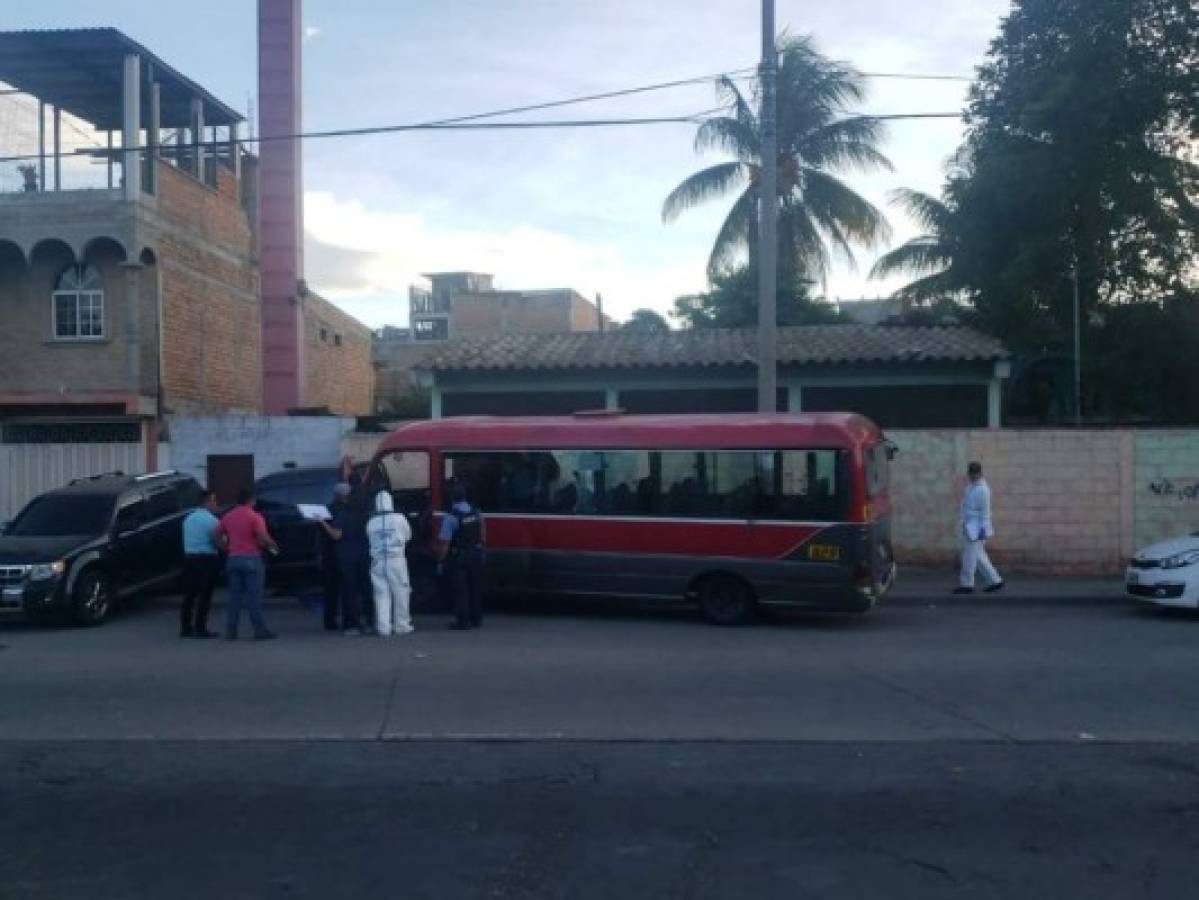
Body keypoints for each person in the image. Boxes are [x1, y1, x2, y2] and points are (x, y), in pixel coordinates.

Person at [215, 487, 279, 640]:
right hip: (251, 559)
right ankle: (260, 630)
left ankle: (231, 632)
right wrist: (274, 545)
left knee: (234, 598)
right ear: (250, 500)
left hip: (233, 559)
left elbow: (217, 534)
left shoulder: (228, 516)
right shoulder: (255, 517)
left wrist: (226, 548)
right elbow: (263, 537)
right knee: (254, 597)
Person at [320, 481, 373, 636]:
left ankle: (352, 625)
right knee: (366, 590)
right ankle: (370, 622)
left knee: (349, 592)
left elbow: (336, 535)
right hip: (364, 554)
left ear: (338, 496)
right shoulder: (363, 512)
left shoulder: (341, 512)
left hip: (346, 556)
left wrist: (322, 522)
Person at [438, 483, 485, 630]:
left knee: (461, 590)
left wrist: (440, 561)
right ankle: (476, 619)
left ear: (452, 499)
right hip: (476, 554)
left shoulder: (451, 518)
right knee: (475, 588)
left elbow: (445, 543)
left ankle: (463, 621)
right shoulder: (477, 513)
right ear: (465, 497)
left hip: (460, 556)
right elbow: (483, 536)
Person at [367, 490, 413, 636]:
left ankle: (383, 627)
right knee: (401, 592)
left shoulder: (371, 522)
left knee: (381, 594)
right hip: (396, 561)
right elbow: (408, 536)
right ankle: (401, 625)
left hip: (377, 562)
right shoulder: (400, 519)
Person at [956, 461, 1004, 595]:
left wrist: (983, 528)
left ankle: (966, 584)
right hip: (969, 525)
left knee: (969, 556)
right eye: (971, 473)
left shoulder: (983, 490)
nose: (973, 476)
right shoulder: (970, 487)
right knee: (978, 556)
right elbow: (965, 506)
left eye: (975, 473)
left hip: (976, 527)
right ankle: (995, 581)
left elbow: (985, 512)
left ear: (980, 473)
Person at [179, 489, 222, 638]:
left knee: (189, 595)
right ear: (207, 502)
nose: (216, 504)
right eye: (214, 500)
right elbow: (216, 542)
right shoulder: (212, 520)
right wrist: (225, 545)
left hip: (190, 558)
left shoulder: (188, 519)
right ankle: (200, 628)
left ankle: (185, 627)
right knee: (205, 595)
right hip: (207, 559)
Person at [319, 483, 351, 631]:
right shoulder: (343, 510)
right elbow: (336, 534)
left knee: (330, 590)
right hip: (342, 554)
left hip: (327, 554)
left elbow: (319, 534)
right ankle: (347, 621)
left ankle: (329, 621)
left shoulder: (326, 509)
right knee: (345, 589)